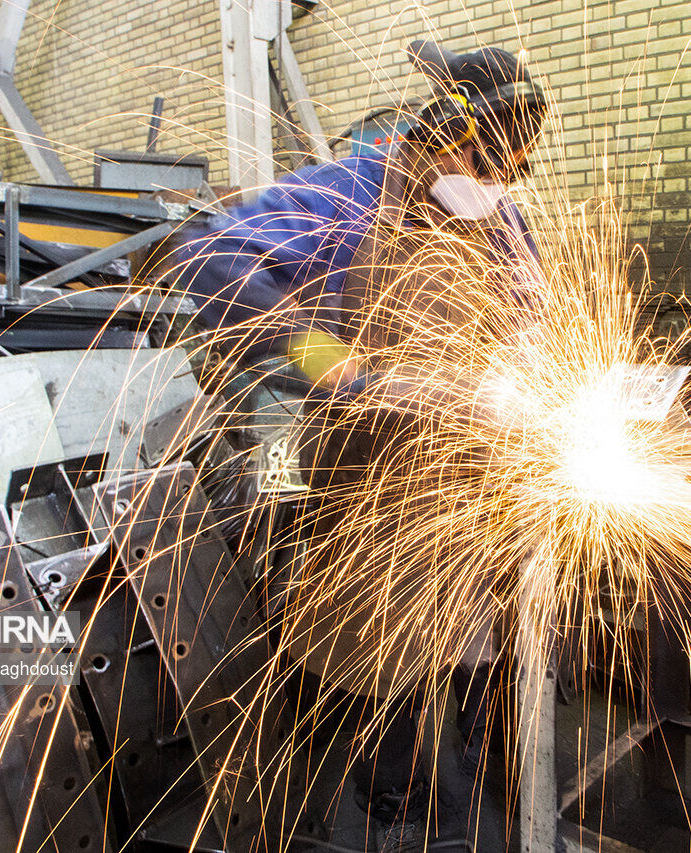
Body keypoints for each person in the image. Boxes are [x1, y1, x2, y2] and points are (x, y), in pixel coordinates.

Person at [173, 39, 548, 851]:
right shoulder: (346, 193)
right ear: (443, 136)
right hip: (339, 456)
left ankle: (482, 781)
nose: (498, 187)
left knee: (469, 622)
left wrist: (530, 367)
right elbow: (209, 257)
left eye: (512, 171)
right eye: (488, 164)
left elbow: (531, 306)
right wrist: (333, 365)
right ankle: (382, 803)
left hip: (452, 465)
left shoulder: (499, 216)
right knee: (360, 632)